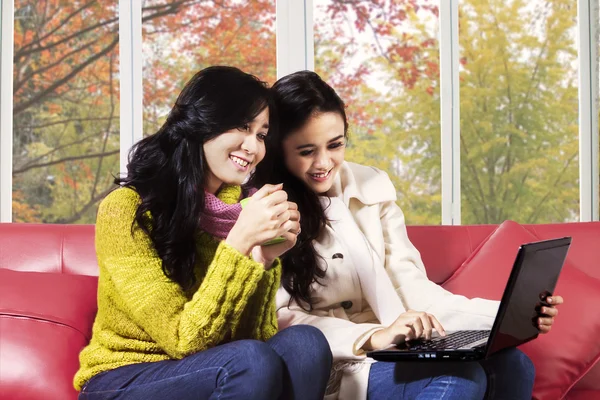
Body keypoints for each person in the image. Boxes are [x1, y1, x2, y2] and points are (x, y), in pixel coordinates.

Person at [250, 70, 564, 400]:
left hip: (399, 347)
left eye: (335, 145)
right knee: (461, 380)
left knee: (514, 364)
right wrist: (375, 336)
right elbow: (282, 321)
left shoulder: (370, 187)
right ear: (279, 148)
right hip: (338, 359)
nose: (324, 162)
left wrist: (508, 316)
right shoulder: (266, 207)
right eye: (306, 151)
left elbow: (411, 288)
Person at [74, 66, 332, 400]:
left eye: (261, 134)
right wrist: (240, 242)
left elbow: (252, 337)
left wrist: (262, 258)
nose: (252, 147)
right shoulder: (126, 210)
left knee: (305, 345)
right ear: (203, 123)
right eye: (242, 126)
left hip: (212, 368)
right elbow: (184, 339)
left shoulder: (240, 212)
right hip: (121, 379)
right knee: (249, 360)